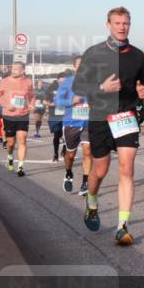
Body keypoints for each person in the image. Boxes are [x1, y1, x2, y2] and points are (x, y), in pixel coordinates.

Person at [72, 6, 144, 245]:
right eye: (117, 23)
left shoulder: (138, 55)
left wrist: (142, 91)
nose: (122, 27)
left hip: (126, 116)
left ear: (129, 25)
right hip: (99, 118)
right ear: (108, 25)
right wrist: (102, 89)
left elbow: (142, 85)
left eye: (125, 23)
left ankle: (122, 226)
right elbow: (78, 89)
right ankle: (92, 201)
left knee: (127, 169)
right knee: (101, 170)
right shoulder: (93, 53)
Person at [56, 57, 92, 195]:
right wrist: (71, 100)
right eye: (79, 64)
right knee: (70, 155)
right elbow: (58, 101)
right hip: (71, 122)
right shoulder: (67, 82)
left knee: (88, 150)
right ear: (74, 67)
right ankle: (69, 173)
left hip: (88, 122)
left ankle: (85, 182)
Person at [0, 62, 35, 176]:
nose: (13, 71)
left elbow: (32, 96)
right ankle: (10, 157)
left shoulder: (28, 82)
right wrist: (6, 105)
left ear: (23, 71)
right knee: (11, 143)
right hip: (9, 115)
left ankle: (20, 167)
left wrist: (32, 104)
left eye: (16, 69)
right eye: (13, 68)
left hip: (23, 114)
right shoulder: (5, 81)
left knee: (22, 138)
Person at [47, 72, 67, 162]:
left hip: (66, 114)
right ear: (58, 80)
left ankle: (64, 148)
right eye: (61, 81)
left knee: (66, 133)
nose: (62, 82)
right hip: (54, 114)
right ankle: (55, 153)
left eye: (64, 81)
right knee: (57, 134)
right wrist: (50, 104)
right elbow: (44, 100)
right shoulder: (51, 87)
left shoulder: (69, 88)